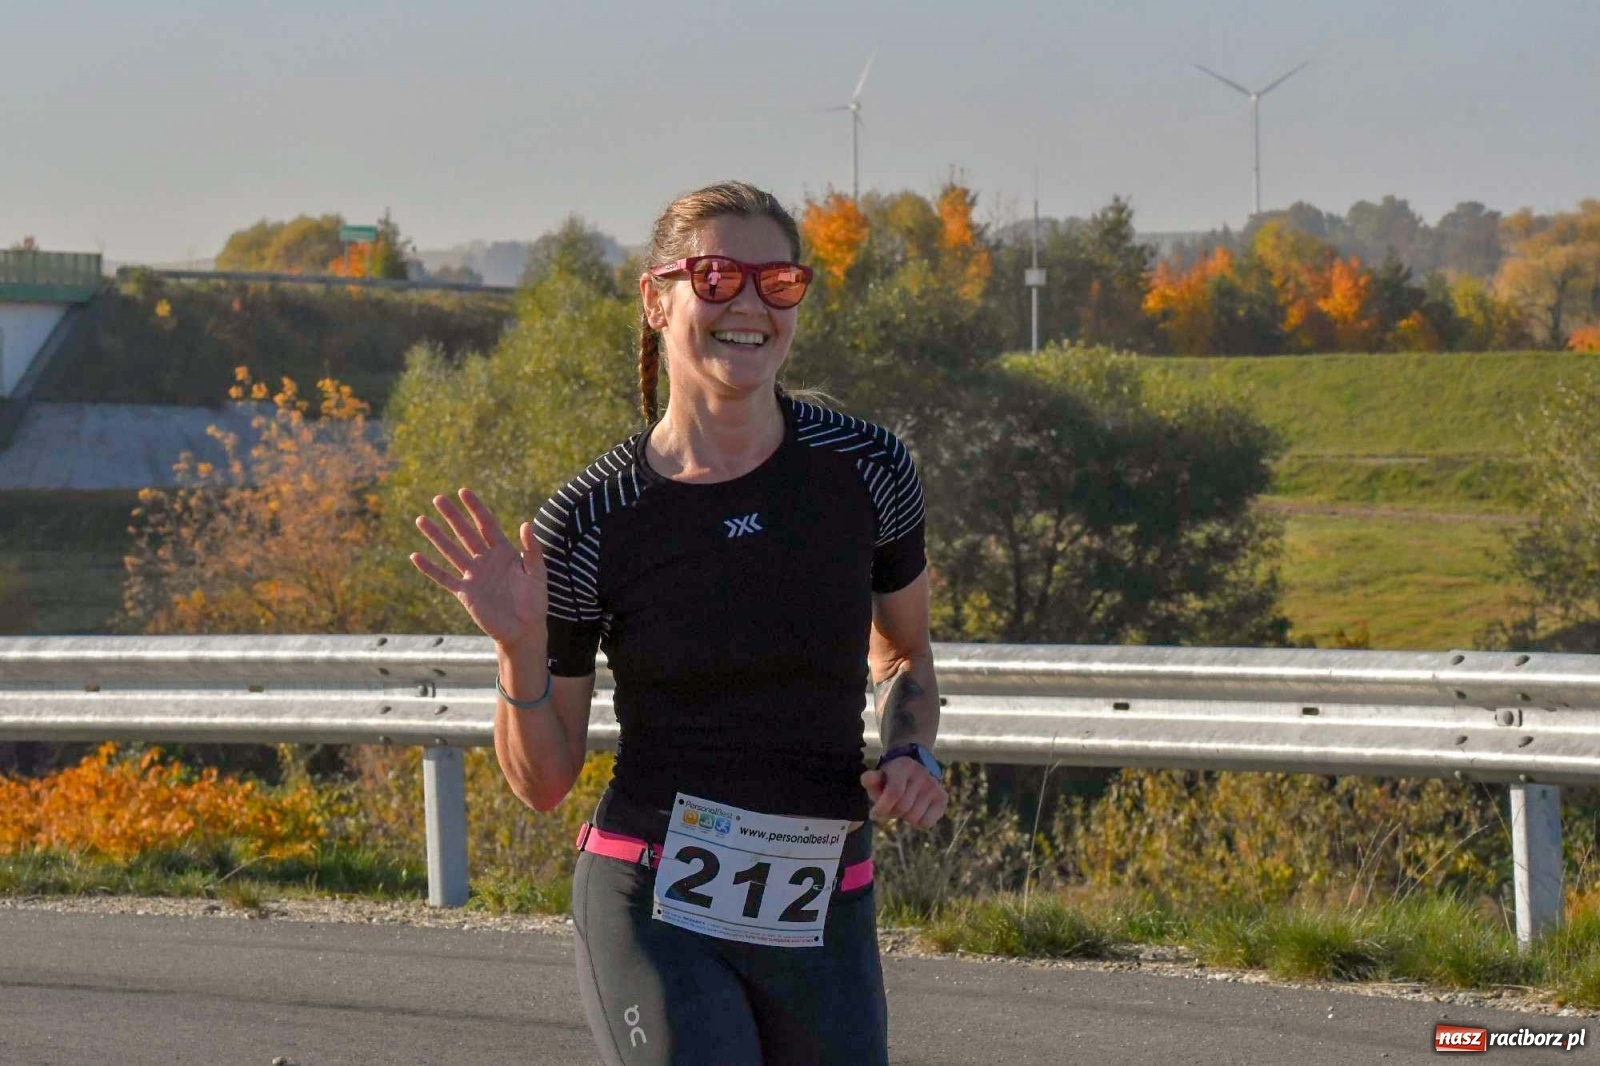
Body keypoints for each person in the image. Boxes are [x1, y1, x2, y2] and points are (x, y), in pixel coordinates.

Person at [409, 180, 947, 1065]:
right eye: (717, 275)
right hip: (652, 904)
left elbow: (904, 656)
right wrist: (518, 646)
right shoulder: (590, 517)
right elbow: (545, 782)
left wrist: (908, 751)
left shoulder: (868, 469)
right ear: (657, 300)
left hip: (824, 905)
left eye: (777, 282)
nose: (749, 303)